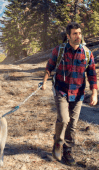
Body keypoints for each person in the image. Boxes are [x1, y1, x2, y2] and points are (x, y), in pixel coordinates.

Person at [41, 22, 98, 166]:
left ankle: (68, 151)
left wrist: (94, 93)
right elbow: (49, 67)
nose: (78, 36)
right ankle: (58, 144)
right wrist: (44, 81)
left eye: (79, 33)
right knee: (64, 119)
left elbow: (92, 74)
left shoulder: (86, 53)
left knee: (72, 124)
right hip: (61, 91)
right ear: (68, 36)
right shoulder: (59, 50)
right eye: (75, 34)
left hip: (78, 94)